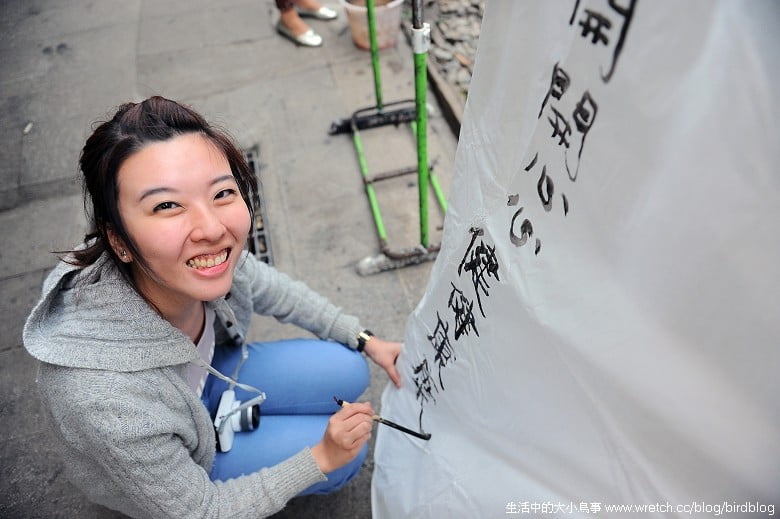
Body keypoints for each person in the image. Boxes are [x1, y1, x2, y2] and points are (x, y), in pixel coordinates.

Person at [23, 96, 402, 518]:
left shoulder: (196, 259)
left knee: (349, 366)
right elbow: (200, 511)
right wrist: (322, 458)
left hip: (213, 378)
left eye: (222, 192)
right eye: (167, 205)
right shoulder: (101, 396)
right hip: (183, 457)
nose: (212, 228)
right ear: (117, 240)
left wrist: (365, 338)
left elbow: (269, 285)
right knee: (348, 456)